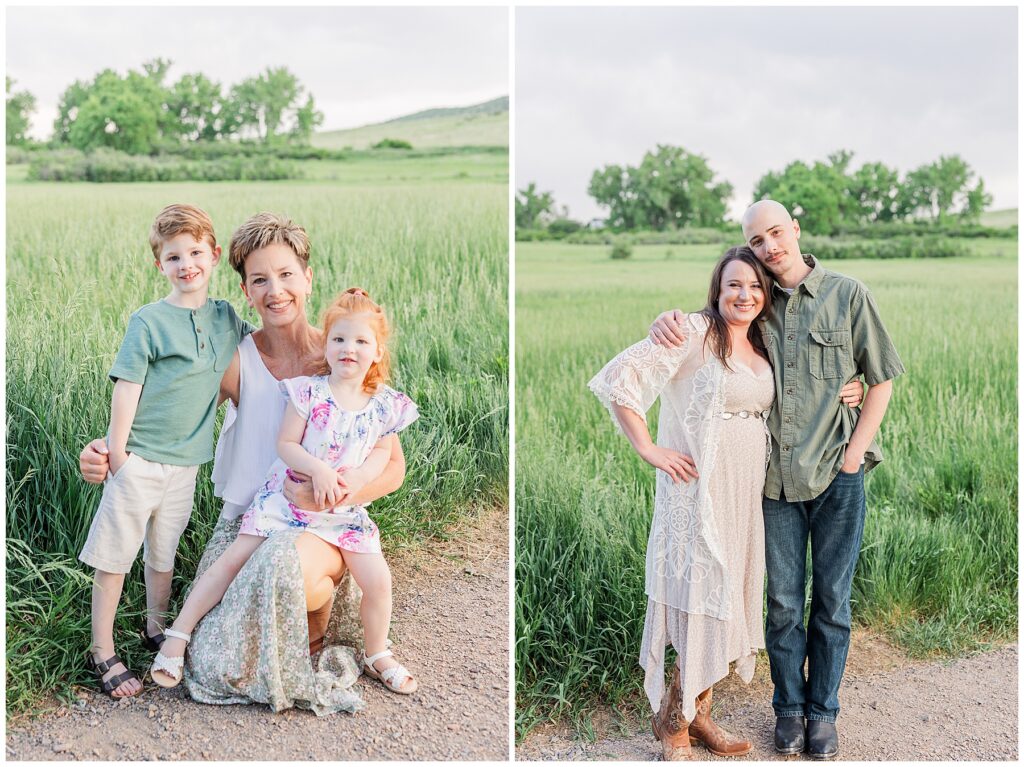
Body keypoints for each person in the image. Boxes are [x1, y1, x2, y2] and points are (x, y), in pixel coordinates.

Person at [80, 212, 407, 715]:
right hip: (247, 520)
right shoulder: (236, 357)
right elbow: (170, 407)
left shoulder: (343, 354)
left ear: (308, 278)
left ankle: (315, 613)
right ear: (245, 290)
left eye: (286, 275)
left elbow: (392, 465)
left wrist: (339, 493)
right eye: (259, 280)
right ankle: (276, 627)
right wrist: (106, 446)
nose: (275, 290)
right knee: (209, 662)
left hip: (322, 527)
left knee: (282, 565)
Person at [650, 199, 904, 760]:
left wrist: (854, 455)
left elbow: (880, 377)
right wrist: (666, 320)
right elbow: (712, 329)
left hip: (839, 474)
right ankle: (788, 712)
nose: (768, 246)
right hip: (774, 483)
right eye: (756, 239)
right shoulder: (758, 305)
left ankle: (823, 716)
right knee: (784, 603)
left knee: (833, 600)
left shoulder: (847, 295)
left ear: (795, 228)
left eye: (774, 233)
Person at [150, 288, 420, 696]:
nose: (350, 348)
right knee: (232, 559)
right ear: (325, 345)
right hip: (286, 503)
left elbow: (383, 453)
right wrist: (318, 469)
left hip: (343, 513)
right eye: (339, 339)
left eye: (362, 341)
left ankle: (377, 652)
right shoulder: (308, 392)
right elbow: (287, 445)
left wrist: (358, 480)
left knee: (379, 581)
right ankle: (178, 635)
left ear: (378, 352)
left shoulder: (383, 405)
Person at [590, 247, 776, 760]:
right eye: (735, 284)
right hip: (696, 493)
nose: (745, 295)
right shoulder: (693, 331)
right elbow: (621, 379)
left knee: (724, 598)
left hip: (742, 496)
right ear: (718, 289)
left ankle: (701, 715)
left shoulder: (764, 342)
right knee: (697, 595)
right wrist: (648, 448)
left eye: (756, 287)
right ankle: (673, 718)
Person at [78, 204, 251, 699]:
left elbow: (256, 360)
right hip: (140, 460)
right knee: (115, 557)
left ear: (215, 256)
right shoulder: (149, 321)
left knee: (164, 552)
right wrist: (118, 457)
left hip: (186, 465)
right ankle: (102, 648)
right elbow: (127, 387)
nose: (186, 264)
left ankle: (156, 627)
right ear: (161, 265)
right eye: (173, 256)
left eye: (196, 252)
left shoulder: (225, 317)